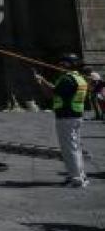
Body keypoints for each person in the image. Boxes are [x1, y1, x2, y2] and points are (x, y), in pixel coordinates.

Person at [36, 54, 91, 187]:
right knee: (75, 147)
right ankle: (80, 175)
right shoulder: (78, 78)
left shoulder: (67, 79)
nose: (60, 66)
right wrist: (43, 79)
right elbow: (56, 89)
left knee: (69, 149)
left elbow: (50, 94)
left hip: (66, 117)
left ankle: (76, 179)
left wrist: (41, 83)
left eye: (62, 64)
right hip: (75, 115)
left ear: (68, 65)